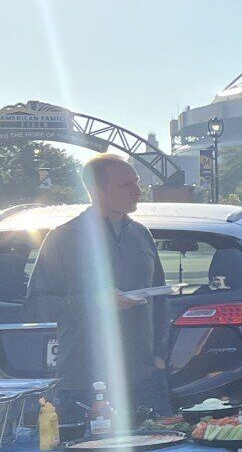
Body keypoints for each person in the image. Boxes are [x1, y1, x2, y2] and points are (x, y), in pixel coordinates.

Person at [25, 154, 171, 424]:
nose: (138, 191)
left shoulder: (141, 235)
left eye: (137, 182)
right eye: (126, 184)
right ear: (96, 190)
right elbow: (37, 304)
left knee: (158, 449)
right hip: (84, 382)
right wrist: (95, 302)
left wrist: (160, 356)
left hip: (141, 380)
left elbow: (161, 300)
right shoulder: (63, 238)